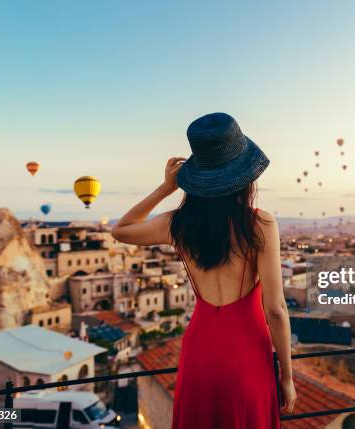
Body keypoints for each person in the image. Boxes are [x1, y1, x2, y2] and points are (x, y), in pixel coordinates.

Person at [112, 112, 296, 428]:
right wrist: (287, 377)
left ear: (197, 178)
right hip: (247, 352)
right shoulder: (261, 224)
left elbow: (122, 230)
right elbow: (276, 310)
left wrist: (166, 187)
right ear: (244, 177)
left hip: (200, 349)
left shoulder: (178, 224)